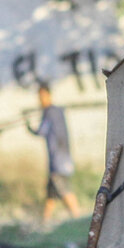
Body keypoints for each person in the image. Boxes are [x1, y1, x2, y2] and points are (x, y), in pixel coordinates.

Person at [27, 81, 81, 221]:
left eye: (42, 96)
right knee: (50, 194)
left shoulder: (49, 112)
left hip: (58, 160)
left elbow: (42, 131)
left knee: (64, 190)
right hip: (61, 159)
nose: (40, 100)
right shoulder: (57, 111)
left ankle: (77, 217)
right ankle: (45, 221)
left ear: (48, 95)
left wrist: (29, 127)